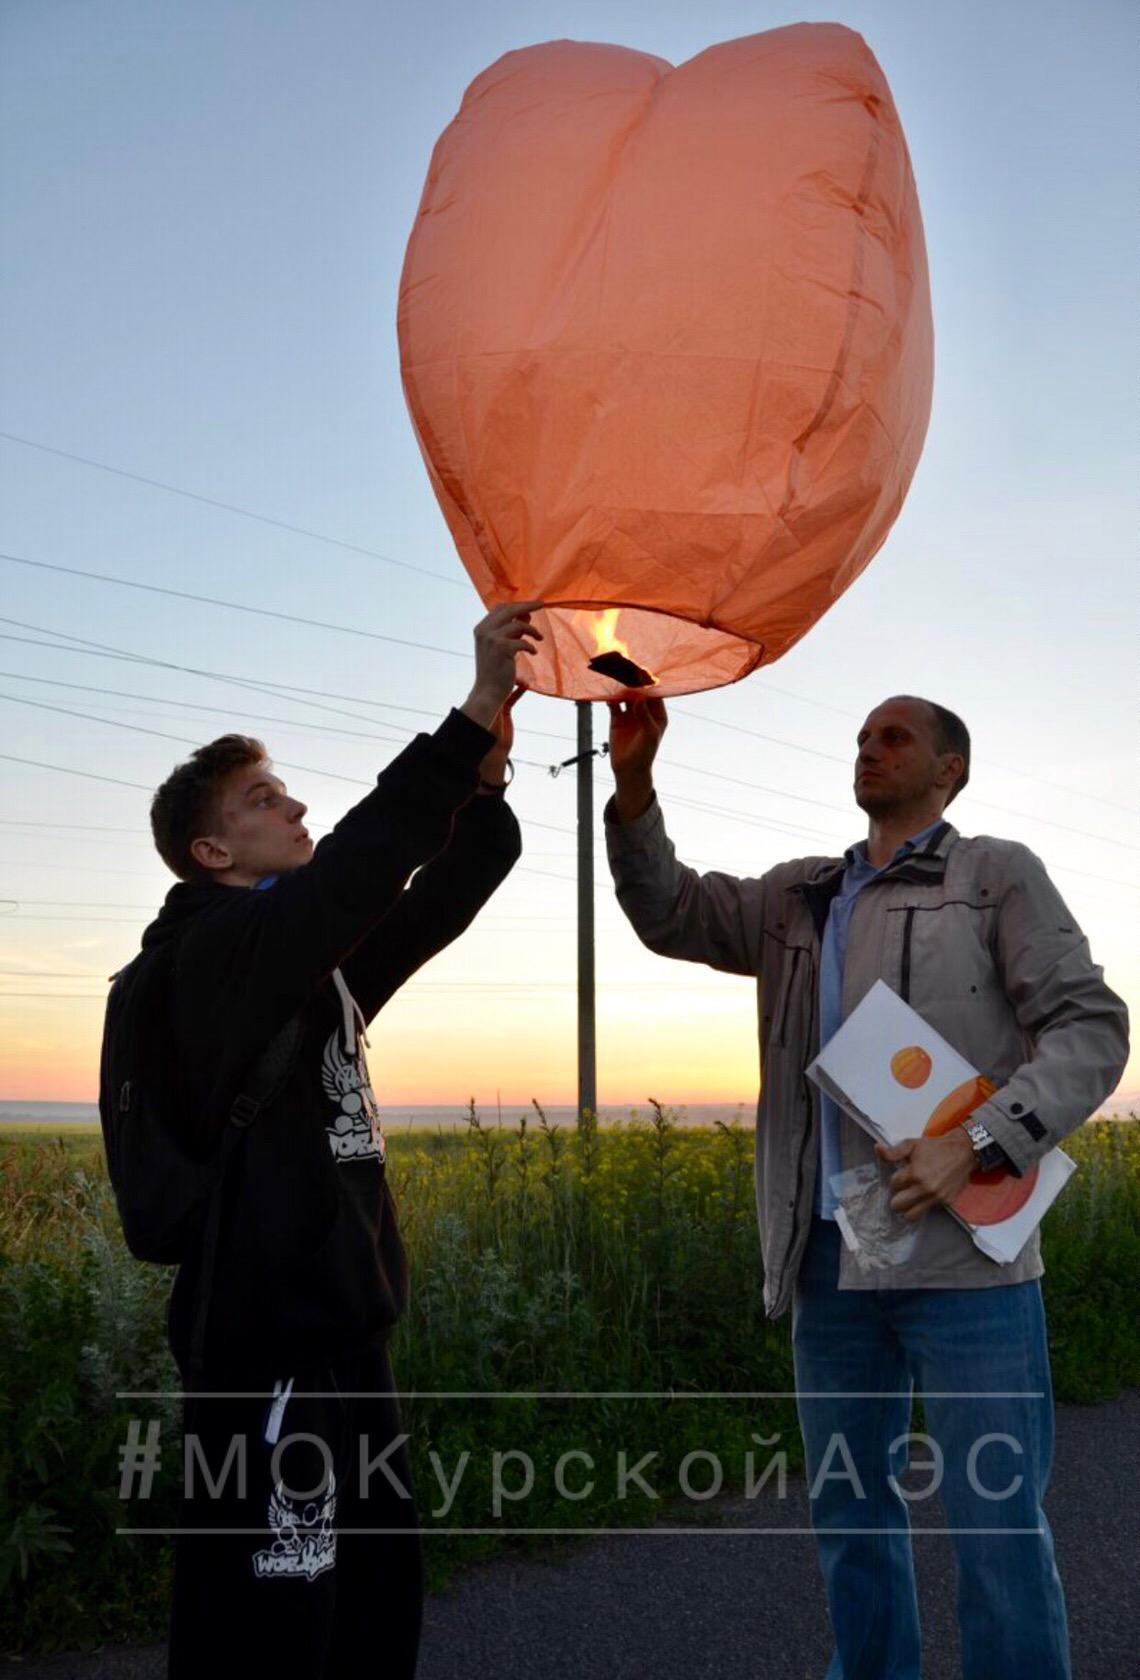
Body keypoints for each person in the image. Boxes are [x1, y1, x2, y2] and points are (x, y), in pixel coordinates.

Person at [604, 692, 1128, 1680]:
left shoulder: (995, 876)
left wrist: (979, 1140)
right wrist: (634, 784)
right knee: (850, 1520)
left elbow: (1090, 1027)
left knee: (998, 1529)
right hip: (827, 1264)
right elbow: (667, 909)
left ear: (950, 769)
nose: (869, 748)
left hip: (966, 1268)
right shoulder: (797, 897)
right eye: (861, 737)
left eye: (896, 737)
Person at [137, 600, 541, 1680]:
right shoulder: (217, 956)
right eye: (264, 799)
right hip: (267, 1347)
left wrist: (483, 783)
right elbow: (363, 863)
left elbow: (435, 897)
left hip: (346, 1337)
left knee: (369, 1604)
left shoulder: (307, 964)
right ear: (211, 850)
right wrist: (471, 709)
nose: (297, 804)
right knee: (273, 1631)